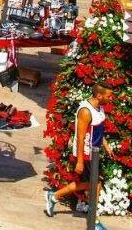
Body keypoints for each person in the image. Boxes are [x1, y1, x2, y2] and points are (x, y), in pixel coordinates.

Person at [46, 88, 112, 219]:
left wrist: (106, 145)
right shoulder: (85, 112)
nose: (110, 99)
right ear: (99, 95)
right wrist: (80, 161)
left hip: (94, 153)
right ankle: (93, 219)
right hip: (86, 153)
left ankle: (54, 196)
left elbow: (98, 130)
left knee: (91, 184)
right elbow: (80, 137)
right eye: (108, 96)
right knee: (95, 185)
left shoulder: (100, 108)